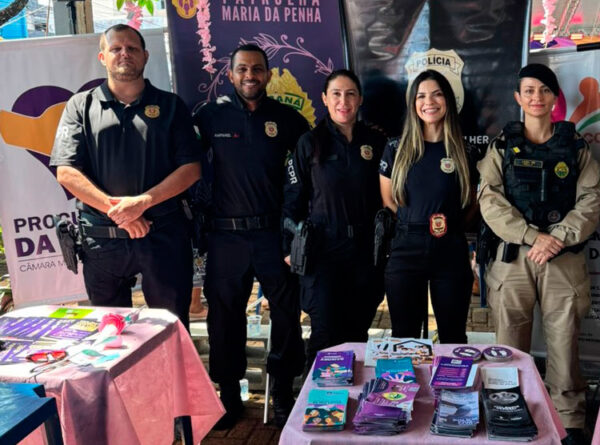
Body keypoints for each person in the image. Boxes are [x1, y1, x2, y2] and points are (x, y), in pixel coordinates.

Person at [477, 63, 600, 445]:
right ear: (518, 97)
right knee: (509, 343)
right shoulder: (502, 145)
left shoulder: (576, 146)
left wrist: (557, 237)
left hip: (562, 258)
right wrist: (533, 237)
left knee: (564, 342)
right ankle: (506, 410)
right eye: (529, 90)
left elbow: (591, 199)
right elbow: (490, 200)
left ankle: (570, 422)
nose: (536, 97)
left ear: (554, 98)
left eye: (544, 90)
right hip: (515, 256)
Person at [50, 24, 201, 327]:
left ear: (145, 55)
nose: (124, 54)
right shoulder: (80, 106)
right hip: (102, 242)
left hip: (163, 236)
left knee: (170, 326)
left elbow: (191, 169)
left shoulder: (171, 106)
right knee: (110, 332)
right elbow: (66, 172)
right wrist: (121, 213)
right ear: (102, 57)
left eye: (132, 48)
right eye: (116, 48)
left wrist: (142, 203)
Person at [193, 43, 307, 429]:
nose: (250, 76)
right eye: (242, 69)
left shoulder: (288, 119)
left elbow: (309, 173)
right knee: (224, 318)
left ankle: (282, 391)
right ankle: (228, 394)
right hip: (225, 236)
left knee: (287, 313)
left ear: (268, 75)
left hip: (273, 234)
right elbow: (186, 166)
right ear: (230, 74)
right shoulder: (209, 116)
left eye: (257, 69)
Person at [282, 69, 387, 371]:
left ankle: (352, 397)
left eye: (350, 94)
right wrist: (289, 247)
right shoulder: (310, 143)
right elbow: (292, 200)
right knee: (325, 335)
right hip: (323, 251)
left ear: (360, 99)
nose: (344, 101)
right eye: (336, 94)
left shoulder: (376, 142)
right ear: (325, 99)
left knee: (357, 335)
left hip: (365, 252)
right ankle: (317, 398)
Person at [379, 70, 477, 344]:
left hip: (451, 249)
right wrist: (416, 224)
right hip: (406, 247)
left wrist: (450, 228)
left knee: (453, 337)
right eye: (421, 96)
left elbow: (473, 203)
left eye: (437, 94)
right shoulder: (395, 148)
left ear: (448, 101)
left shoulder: (465, 151)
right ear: (413, 103)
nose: (429, 102)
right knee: (404, 338)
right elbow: (388, 200)